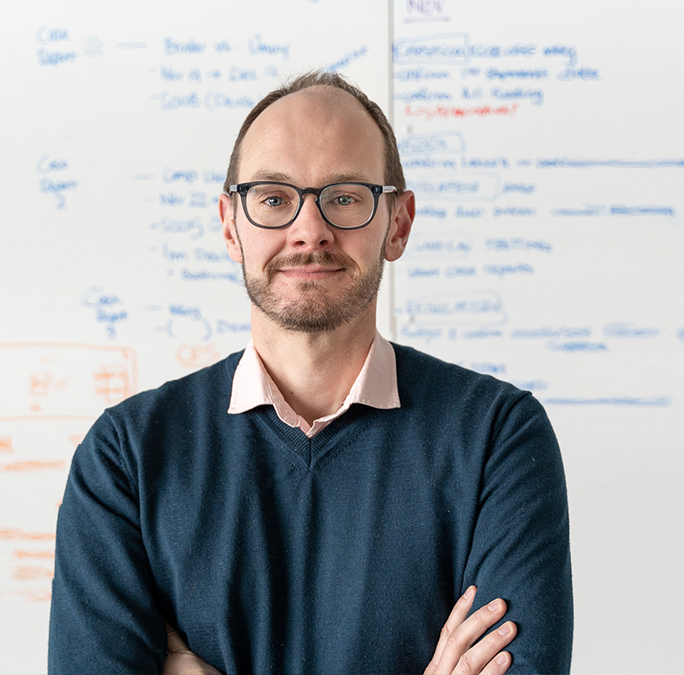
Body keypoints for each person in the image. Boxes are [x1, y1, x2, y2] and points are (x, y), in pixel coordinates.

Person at [48, 71, 573, 674]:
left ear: (397, 224)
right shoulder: (128, 455)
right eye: (273, 198)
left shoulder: (498, 437)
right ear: (229, 225)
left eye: (345, 197)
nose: (309, 230)